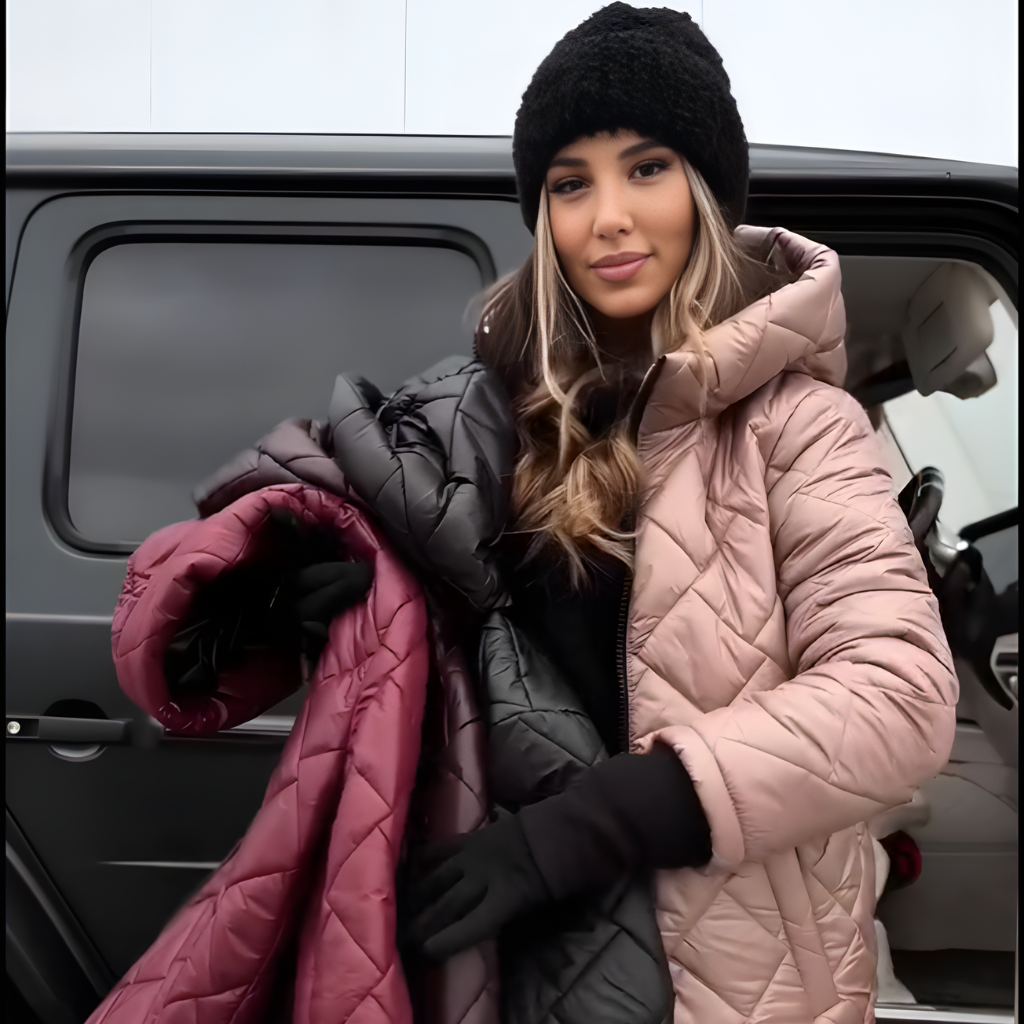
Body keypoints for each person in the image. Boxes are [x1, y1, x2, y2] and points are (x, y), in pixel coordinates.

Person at [398, 6, 958, 1023]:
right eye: (571, 183)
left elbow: (898, 698)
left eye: (647, 168)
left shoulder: (799, 424)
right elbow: (511, 670)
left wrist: (603, 820)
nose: (608, 216)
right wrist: (370, 600)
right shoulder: (500, 422)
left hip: (730, 981)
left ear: (705, 190)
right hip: (535, 963)